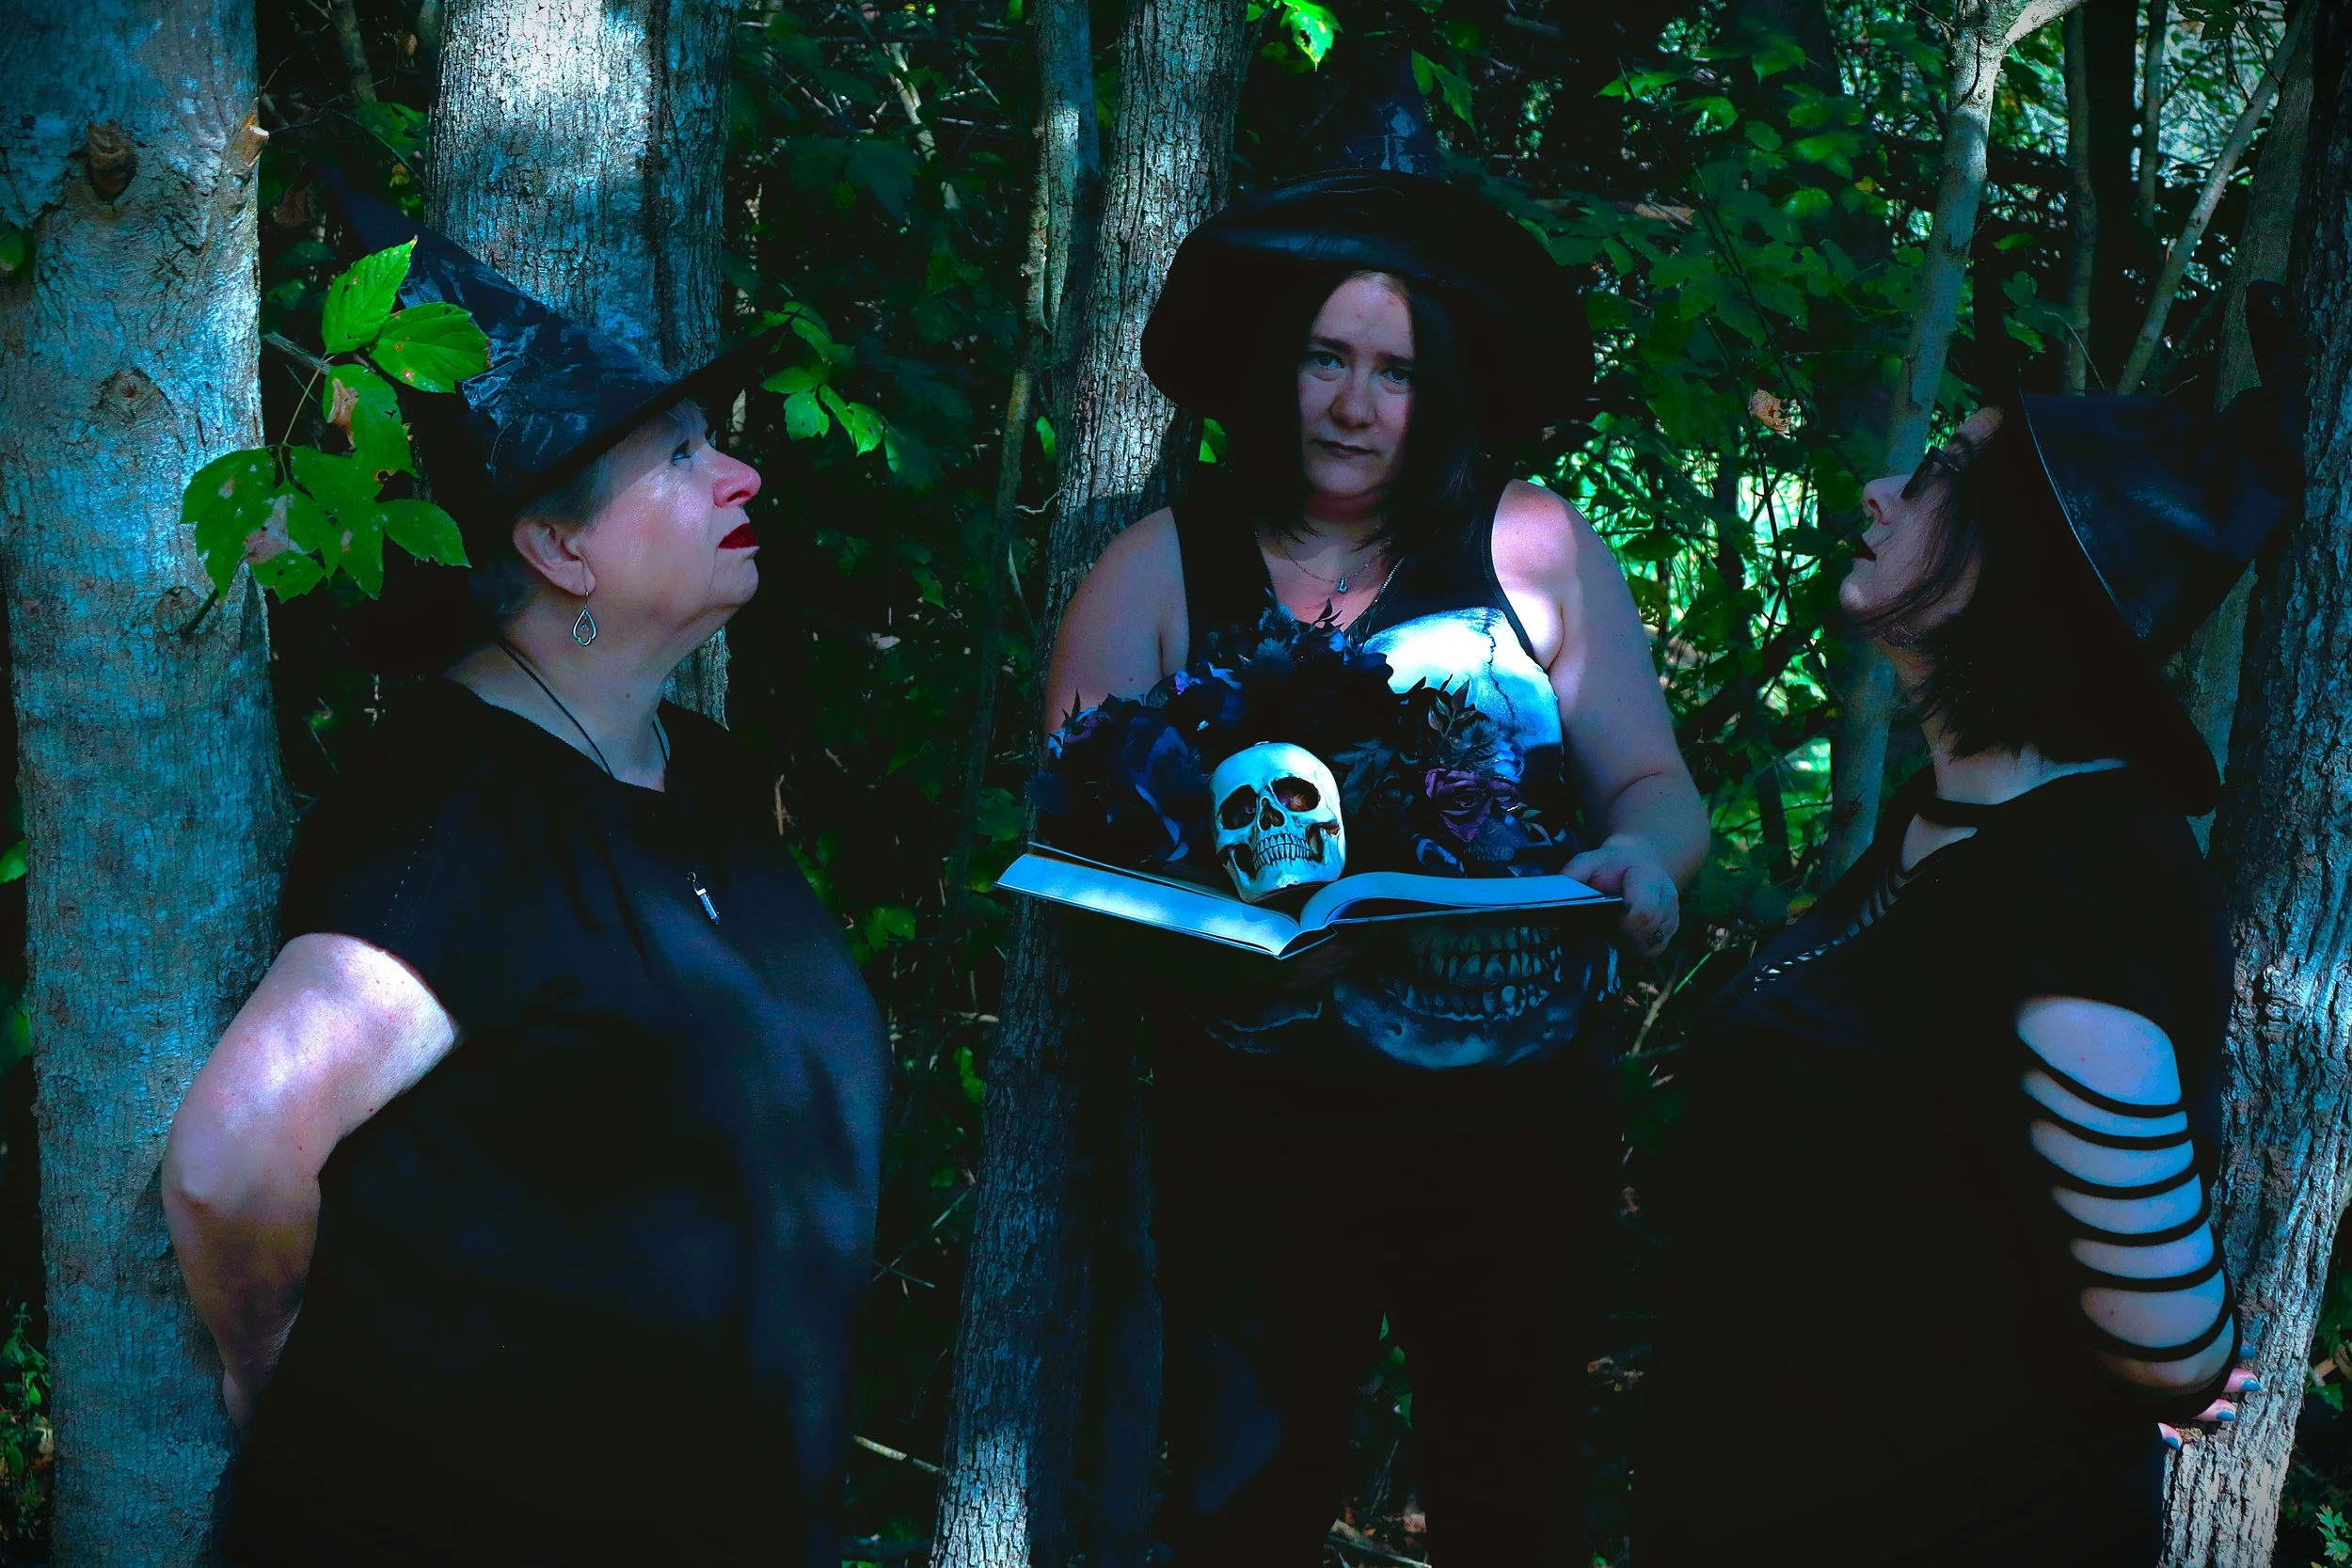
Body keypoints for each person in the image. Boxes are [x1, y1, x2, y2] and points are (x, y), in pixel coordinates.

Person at [162, 181, 886, 1566]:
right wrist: (275, 1373)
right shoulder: (458, 811)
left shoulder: (705, 779)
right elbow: (231, 1156)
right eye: (681, 456)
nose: (739, 475)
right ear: (556, 550)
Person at [1049, 83, 1708, 1562]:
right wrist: (1218, 942)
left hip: (1519, 1131)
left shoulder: (1534, 543)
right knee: (1239, 1511)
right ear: (1271, 366)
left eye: (1396, 372)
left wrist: (1645, 864)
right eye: (1326, 359)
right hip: (1260, 1144)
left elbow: (1657, 793)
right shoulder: (1159, 566)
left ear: (1445, 387)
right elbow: (1077, 849)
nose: (1354, 405)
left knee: (1516, 1505)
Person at [1634, 309, 2303, 1565]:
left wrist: (2187, 1351)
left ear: (2025, 562)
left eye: (1941, 472)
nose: (1883, 491)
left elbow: (2166, 1335)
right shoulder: (1941, 821)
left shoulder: (2084, 871)